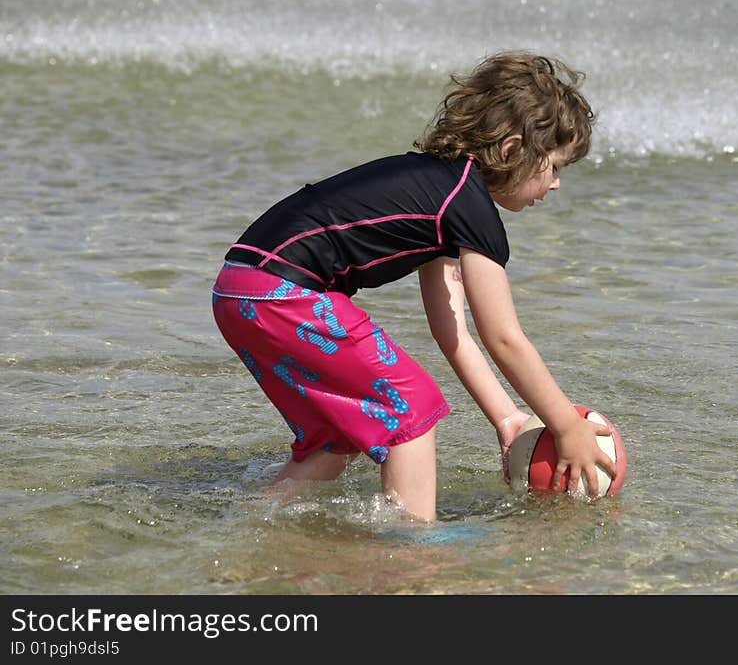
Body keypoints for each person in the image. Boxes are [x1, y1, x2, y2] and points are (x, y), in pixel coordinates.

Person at [211, 51, 618, 522]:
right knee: (410, 408)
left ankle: (251, 524)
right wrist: (566, 426)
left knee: (337, 438)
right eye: (554, 167)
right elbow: (503, 336)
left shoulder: (440, 191)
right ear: (511, 151)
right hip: (282, 291)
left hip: (240, 288)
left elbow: (453, 332)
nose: (556, 185)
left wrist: (508, 420)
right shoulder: (466, 207)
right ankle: (412, 551)